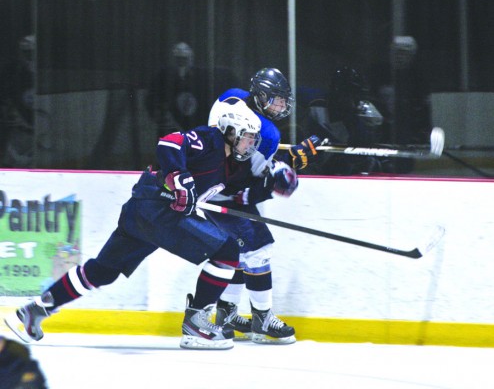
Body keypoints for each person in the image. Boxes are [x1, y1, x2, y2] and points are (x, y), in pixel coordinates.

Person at [4, 101, 274, 351]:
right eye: (247, 136)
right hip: (159, 209)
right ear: (230, 130)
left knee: (103, 270)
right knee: (227, 252)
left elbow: (237, 189)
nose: (251, 143)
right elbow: (169, 143)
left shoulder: (228, 163)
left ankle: (37, 309)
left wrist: (275, 180)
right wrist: (179, 178)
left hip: (143, 210)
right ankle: (196, 325)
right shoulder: (211, 140)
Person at [206, 68, 320, 344]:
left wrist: (279, 159)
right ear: (260, 96)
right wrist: (289, 165)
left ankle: (227, 315)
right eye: (275, 100)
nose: (280, 107)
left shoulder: (231, 96)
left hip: (208, 185)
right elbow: (251, 178)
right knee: (257, 251)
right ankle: (262, 319)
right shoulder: (268, 132)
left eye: (283, 101)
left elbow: (240, 153)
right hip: (228, 196)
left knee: (235, 254)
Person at [300, 66, 395, 175]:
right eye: (350, 93)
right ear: (337, 92)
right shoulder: (314, 101)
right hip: (308, 165)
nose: (354, 100)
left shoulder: (361, 116)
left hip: (335, 169)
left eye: (357, 95)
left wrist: (374, 128)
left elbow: (362, 155)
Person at [145, 41, 238, 139]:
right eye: (179, 59)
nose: (181, 63)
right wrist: (162, 118)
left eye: (184, 59)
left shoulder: (201, 78)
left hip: (196, 127)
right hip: (173, 129)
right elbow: (152, 101)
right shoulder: (163, 78)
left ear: (190, 59)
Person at [0, 35, 36, 167]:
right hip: (15, 124)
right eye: (26, 52)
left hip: (25, 123)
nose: (29, 56)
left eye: (32, 52)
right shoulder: (13, 70)